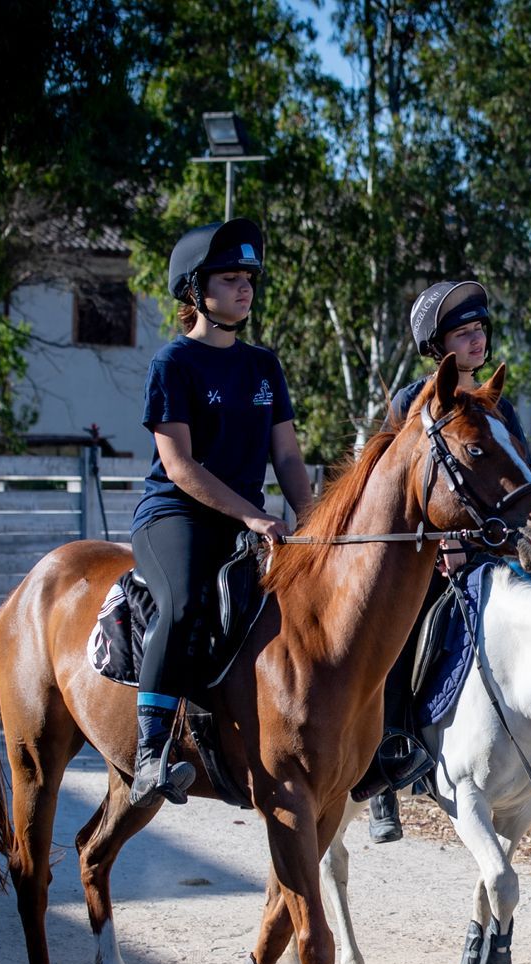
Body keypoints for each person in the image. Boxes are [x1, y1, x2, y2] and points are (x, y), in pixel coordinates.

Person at [364, 280, 531, 843]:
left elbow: (517, 475)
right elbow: (391, 484)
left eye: (479, 330)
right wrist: (439, 543)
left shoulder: (499, 403)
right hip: (432, 557)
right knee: (398, 642)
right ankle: (384, 766)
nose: (475, 341)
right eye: (462, 333)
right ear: (438, 345)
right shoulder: (410, 402)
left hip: (494, 551)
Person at [128, 219, 315, 808]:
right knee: (184, 602)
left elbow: (285, 455)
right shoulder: (173, 364)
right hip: (174, 517)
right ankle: (149, 748)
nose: (245, 290)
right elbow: (180, 465)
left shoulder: (264, 367)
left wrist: (311, 522)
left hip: (247, 522)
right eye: (230, 279)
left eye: (249, 281)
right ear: (194, 290)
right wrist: (255, 517)